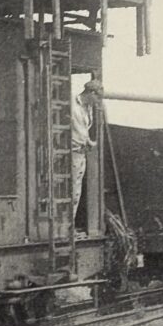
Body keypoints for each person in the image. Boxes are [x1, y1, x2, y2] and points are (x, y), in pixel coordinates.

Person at [71, 79, 103, 220]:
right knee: (71, 190)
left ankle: (70, 223)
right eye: (98, 98)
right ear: (91, 93)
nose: (98, 102)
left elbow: (83, 129)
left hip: (81, 153)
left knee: (76, 191)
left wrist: (89, 141)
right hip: (70, 152)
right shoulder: (71, 102)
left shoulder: (88, 108)